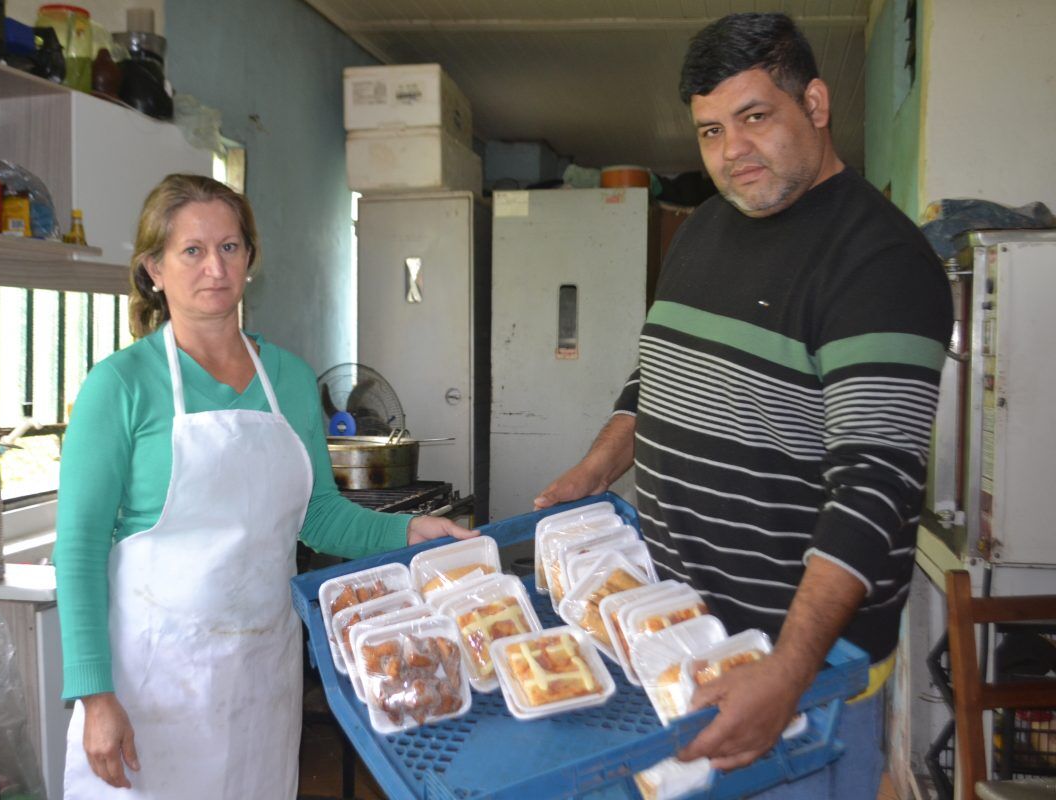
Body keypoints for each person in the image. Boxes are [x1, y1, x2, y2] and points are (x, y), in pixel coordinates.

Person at [535, 13, 952, 798]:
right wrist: (598, 465)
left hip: (795, 672)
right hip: (675, 631)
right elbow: (658, 369)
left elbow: (875, 486)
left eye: (755, 117)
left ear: (817, 105)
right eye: (710, 131)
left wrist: (788, 672)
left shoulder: (881, 262)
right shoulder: (705, 228)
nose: (732, 152)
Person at [54, 173, 472, 798]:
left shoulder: (290, 379)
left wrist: (410, 530)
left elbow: (319, 517)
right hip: (153, 688)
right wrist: (95, 696)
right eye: (191, 250)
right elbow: (79, 548)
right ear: (154, 270)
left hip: (259, 677)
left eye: (230, 247)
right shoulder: (121, 385)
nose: (214, 267)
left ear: (250, 258)